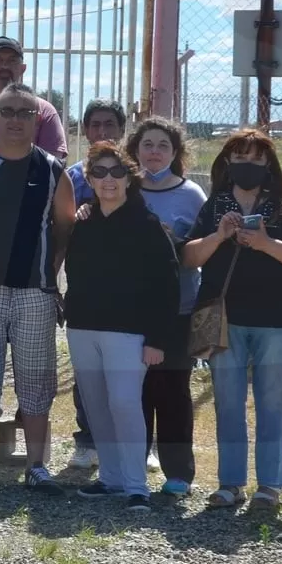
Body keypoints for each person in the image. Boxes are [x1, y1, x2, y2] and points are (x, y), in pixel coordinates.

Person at [0, 84, 78, 494]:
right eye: (8, 111)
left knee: (36, 380)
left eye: (25, 112)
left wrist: (50, 272)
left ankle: (38, 466)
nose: (16, 119)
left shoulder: (53, 170)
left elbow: (65, 226)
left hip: (34, 292)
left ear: (37, 118)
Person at [183, 129, 282, 511]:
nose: (248, 166)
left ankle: (270, 486)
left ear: (268, 165)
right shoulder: (215, 205)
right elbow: (189, 257)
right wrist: (218, 236)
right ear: (228, 162)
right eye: (240, 158)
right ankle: (230, 483)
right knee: (227, 400)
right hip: (226, 317)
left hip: (276, 319)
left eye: (257, 160)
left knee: (272, 401)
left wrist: (265, 244)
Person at [61, 142, 179, 512]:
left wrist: (157, 339)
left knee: (125, 403)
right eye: (99, 172)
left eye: (117, 172)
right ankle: (111, 478)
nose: (108, 180)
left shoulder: (147, 225)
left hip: (129, 332)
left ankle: (136, 486)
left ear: (130, 178)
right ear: (89, 179)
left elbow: (168, 284)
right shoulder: (83, 221)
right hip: (83, 328)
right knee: (96, 406)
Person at [126, 116, 207, 496]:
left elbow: (203, 250)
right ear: (135, 150)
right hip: (132, 309)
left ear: (176, 152)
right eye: (147, 145)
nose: (154, 152)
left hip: (178, 308)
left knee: (174, 389)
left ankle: (178, 473)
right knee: (135, 390)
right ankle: (132, 468)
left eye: (162, 145)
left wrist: (173, 242)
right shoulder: (125, 188)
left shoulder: (192, 195)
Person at [63, 97, 127, 472]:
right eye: (95, 125)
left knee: (132, 373)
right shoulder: (72, 177)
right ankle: (87, 440)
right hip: (85, 287)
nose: (102, 132)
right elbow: (60, 226)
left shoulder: (135, 174)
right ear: (85, 131)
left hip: (129, 289)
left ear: (121, 130)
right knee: (87, 370)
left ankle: (138, 442)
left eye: (110, 125)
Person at [0, 36, 68, 159]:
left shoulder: (44, 110)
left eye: (12, 61)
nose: (5, 66)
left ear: (22, 68)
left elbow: (53, 167)